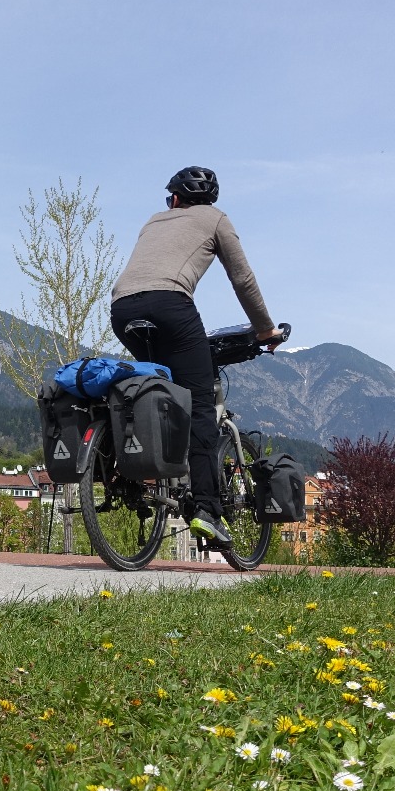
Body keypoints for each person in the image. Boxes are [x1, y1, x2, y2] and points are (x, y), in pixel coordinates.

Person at [109, 166, 281, 546]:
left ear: (173, 199)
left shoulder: (154, 221)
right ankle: (205, 508)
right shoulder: (216, 219)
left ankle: (138, 472)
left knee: (158, 389)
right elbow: (242, 279)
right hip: (171, 305)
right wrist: (266, 329)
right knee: (200, 404)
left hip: (122, 310)